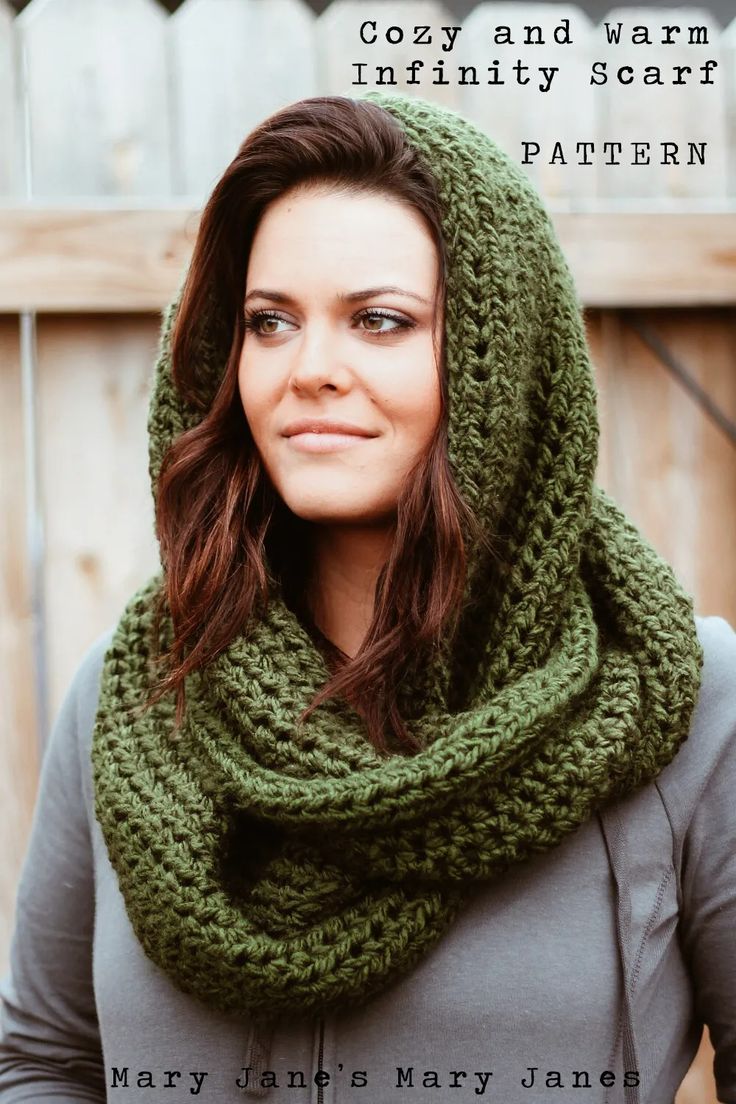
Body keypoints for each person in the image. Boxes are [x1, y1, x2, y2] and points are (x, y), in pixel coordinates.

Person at [0, 91, 734, 1104]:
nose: (309, 371)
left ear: (497, 360)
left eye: (380, 322)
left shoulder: (682, 702)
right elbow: (44, 1062)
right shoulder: (135, 695)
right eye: (269, 323)